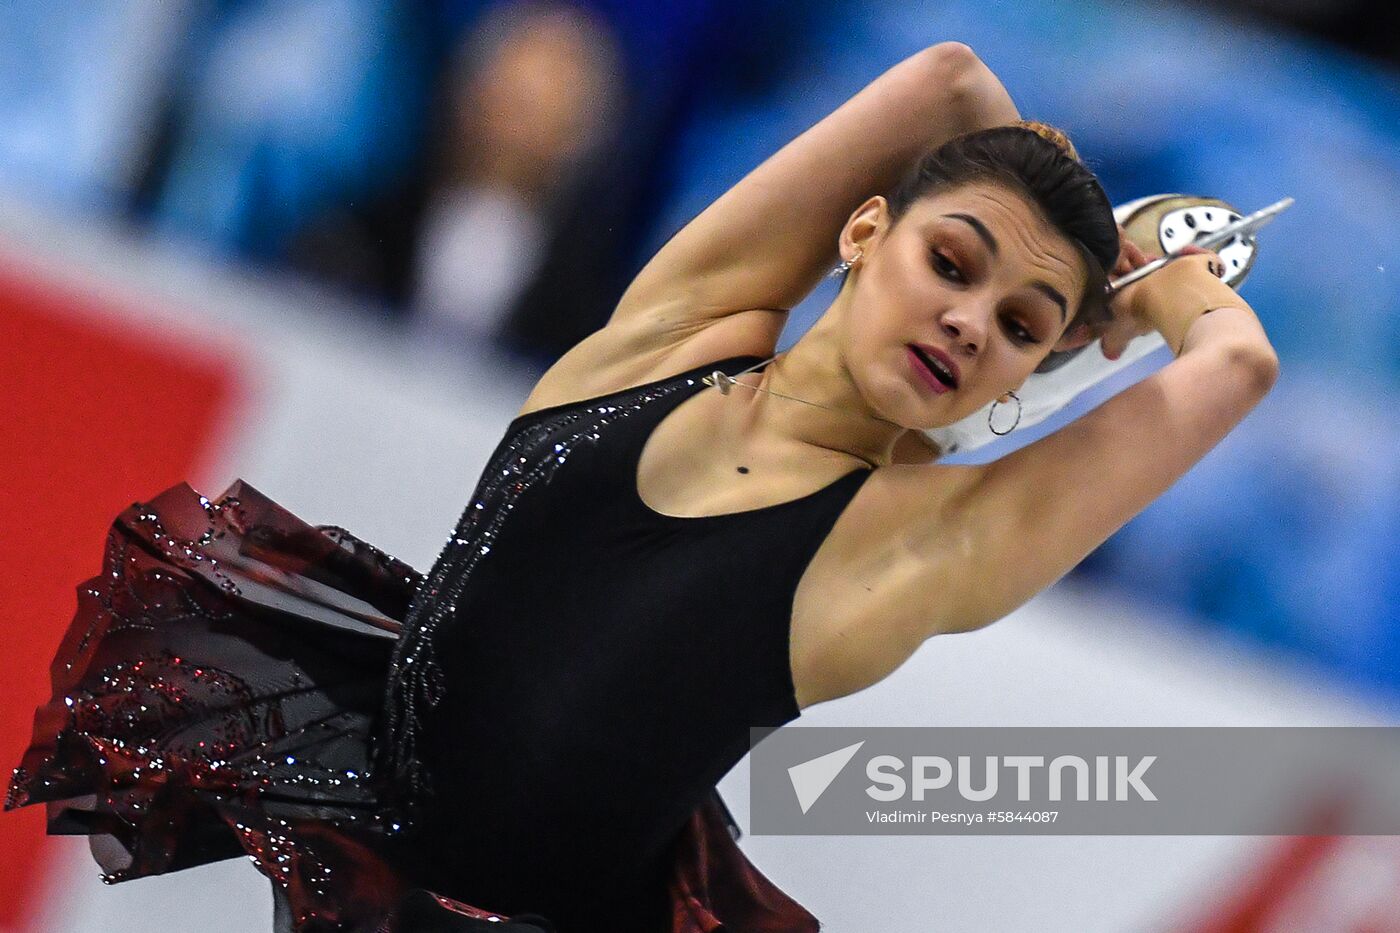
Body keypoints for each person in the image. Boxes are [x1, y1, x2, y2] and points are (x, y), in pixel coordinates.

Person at [7, 41, 1277, 933]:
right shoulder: (676, 333)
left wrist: (1153, 280)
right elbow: (945, 80)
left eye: (1015, 326)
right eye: (949, 261)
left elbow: (1237, 362)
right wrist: (1081, 245)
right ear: (860, 232)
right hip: (366, 805)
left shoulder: (905, 550)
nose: (965, 321)